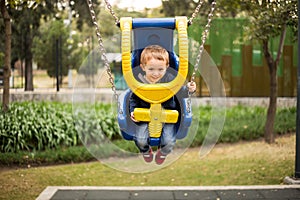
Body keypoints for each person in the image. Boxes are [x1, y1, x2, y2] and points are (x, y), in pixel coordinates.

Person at [129, 45, 196, 165]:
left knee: (169, 141)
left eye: (160, 69)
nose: (156, 74)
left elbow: (180, 92)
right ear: (143, 67)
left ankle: (163, 152)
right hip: (145, 116)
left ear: (167, 67)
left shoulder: (170, 80)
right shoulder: (139, 82)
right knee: (140, 140)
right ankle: (145, 151)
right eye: (151, 69)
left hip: (167, 116)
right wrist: (133, 111)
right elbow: (133, 99)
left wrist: (189, 90)